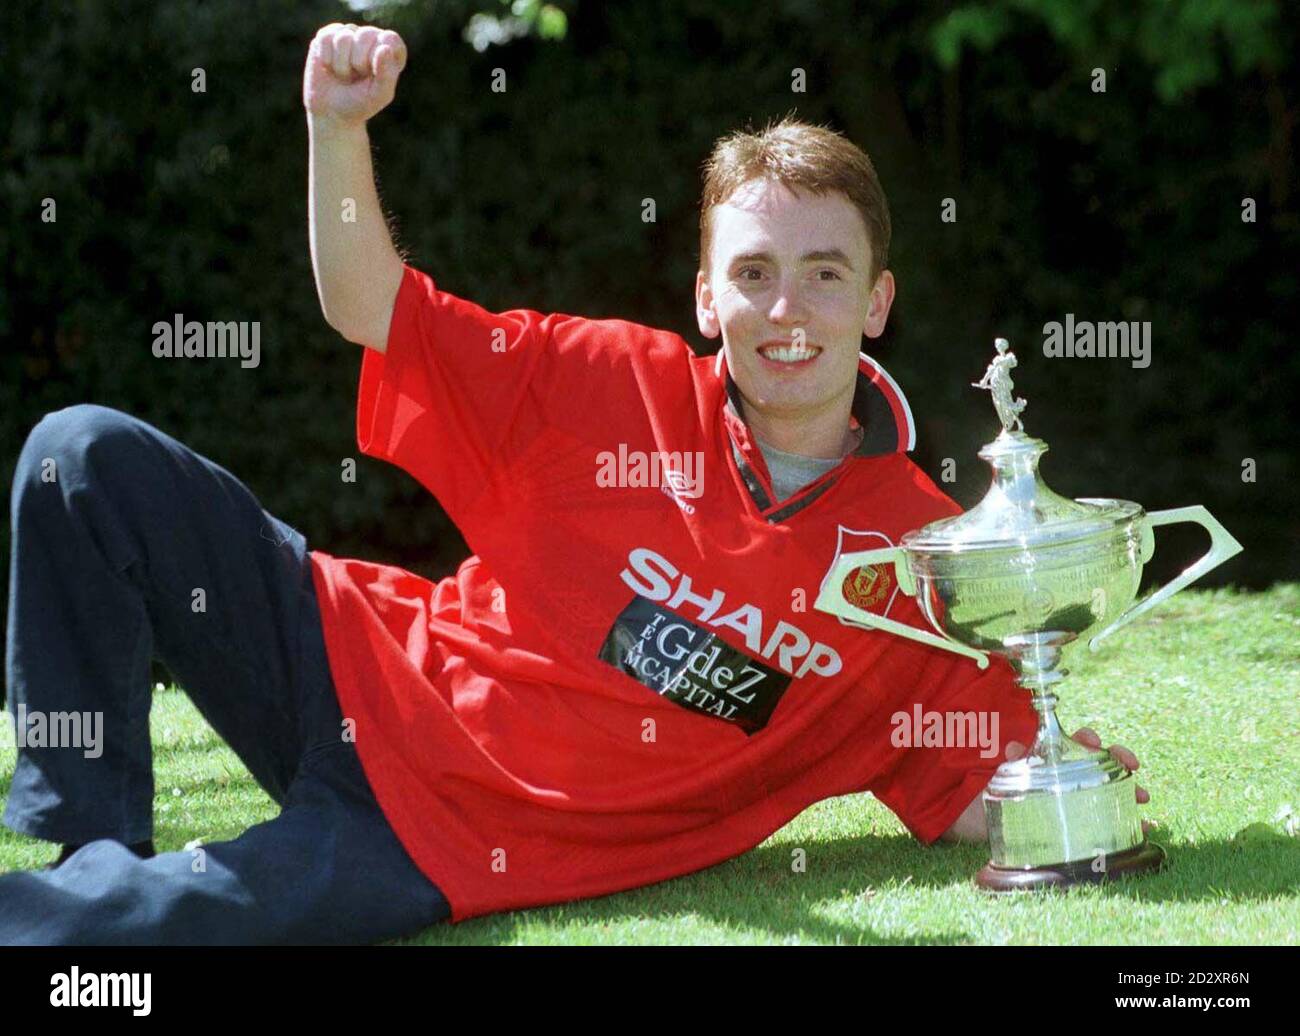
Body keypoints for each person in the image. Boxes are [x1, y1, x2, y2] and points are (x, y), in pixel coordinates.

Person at [0, 22, 1149, 945]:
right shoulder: (602, 380)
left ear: (876, 302)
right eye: (751, 274)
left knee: (98, 940)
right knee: (80, 455)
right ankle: (81, 836)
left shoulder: (922, 565)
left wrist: (1067, 786)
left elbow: (959, 782)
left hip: (436, 836)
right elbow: (368, 305)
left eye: (822, 274)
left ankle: (82, 896)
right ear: (706, 299)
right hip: (344, 656)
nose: (785, 312)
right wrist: (334, 127)